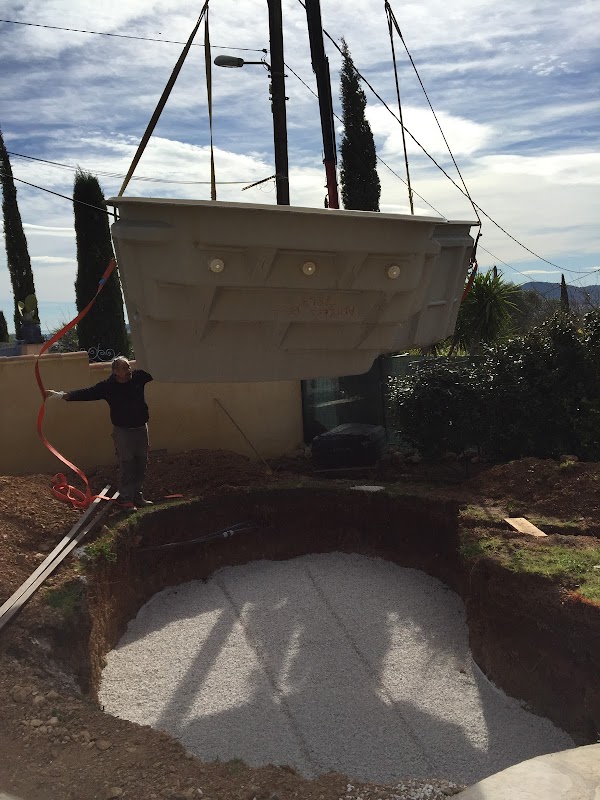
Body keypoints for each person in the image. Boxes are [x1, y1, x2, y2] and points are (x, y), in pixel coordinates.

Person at [45, 356, 153, 509]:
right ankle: (126, 499)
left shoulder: (138, 377)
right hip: (123, 432)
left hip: (141, 429)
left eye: (129, 367)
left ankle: (138, 496)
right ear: (116, 372)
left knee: (141, 463)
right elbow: (87, 393)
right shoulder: (109, 386)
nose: (129, 370)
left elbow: (157, 370)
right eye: (124, 368)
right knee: (127, 463)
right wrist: (61, 395)